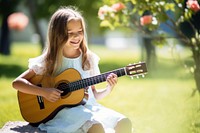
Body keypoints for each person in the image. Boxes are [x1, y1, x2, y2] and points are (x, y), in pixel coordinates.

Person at [12, 6, 132, 133]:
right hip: (64, 112)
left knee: (124, 123)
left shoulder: (88, 59)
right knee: (96, 127)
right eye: (70, 33)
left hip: (90, 108)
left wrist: (109, 88)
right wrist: (43, 92)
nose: (76, 37)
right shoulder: (50, 61)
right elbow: (17, 83)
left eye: (80, 31)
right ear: (57, 34)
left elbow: (93, 95)